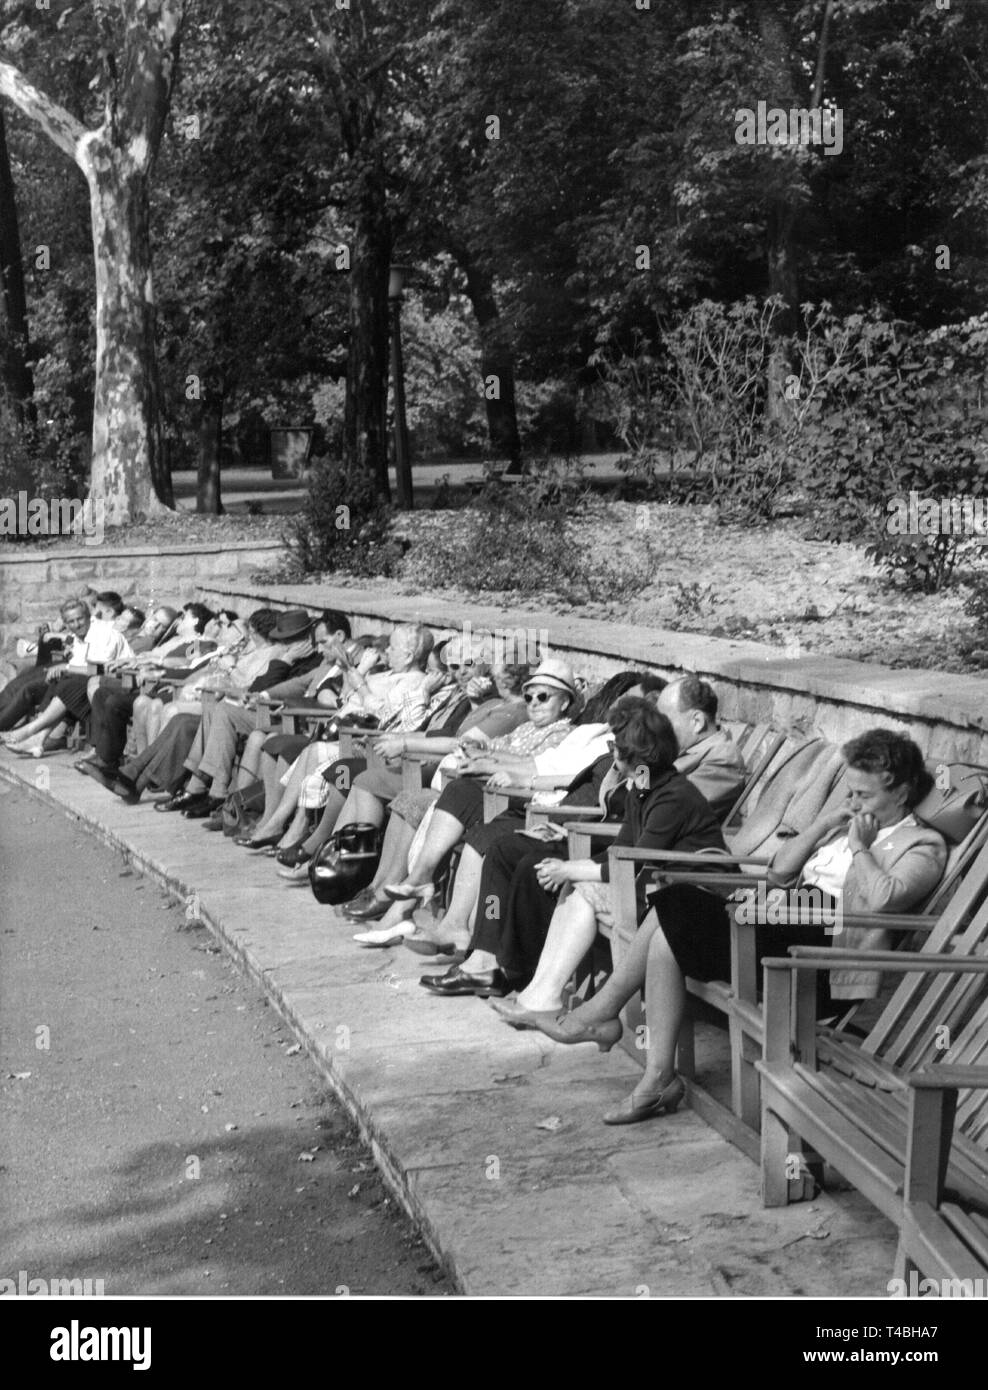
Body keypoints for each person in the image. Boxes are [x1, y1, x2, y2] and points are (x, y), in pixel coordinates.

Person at [529, 728, 948, 1125]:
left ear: (902, 791)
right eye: (850, 793)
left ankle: (605, 1017)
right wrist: (824, 827)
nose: (854, 803)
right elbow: (780, 875)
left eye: (865, 795)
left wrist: (860, 848)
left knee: (677, 904)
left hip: (822, 952)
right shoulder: (844, 827)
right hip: (785, 920)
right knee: (668, 931)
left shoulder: (920, 845)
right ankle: (655, 1076)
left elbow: (884, 899)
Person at [423, 696, 728, 1000]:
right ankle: (485, 958)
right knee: (501, 850)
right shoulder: (643, 788)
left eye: (615, 750)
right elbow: (625, 846)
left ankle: (515, 973)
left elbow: (631, 858)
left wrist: (567, 866)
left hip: (673, 887)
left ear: (630, 755)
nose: (612, 757)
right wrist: (567, 835)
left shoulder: (667, 794)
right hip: (611, 852)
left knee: (531, 865)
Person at [0, 600, 135, 752]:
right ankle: (38, 739)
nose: (77, 625)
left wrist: (66, 667)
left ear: (88, 616)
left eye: (80, 619)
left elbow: (100, 669)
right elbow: (80, 667)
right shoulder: (77, 637)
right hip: (95, 681)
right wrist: (66, 669)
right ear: (65, 623)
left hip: (121, 681)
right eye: (71, 621)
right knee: (60, 680)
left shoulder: (104, 634)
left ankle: (30, 731)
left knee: (71, 682)